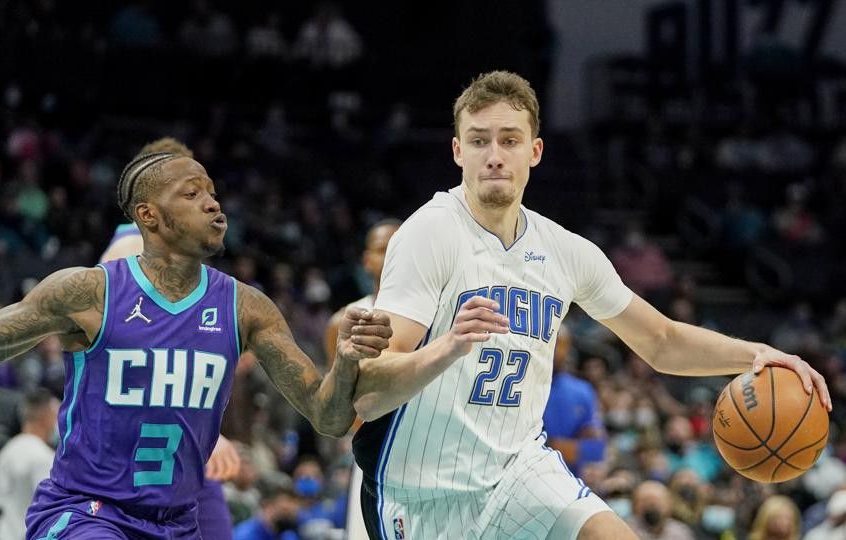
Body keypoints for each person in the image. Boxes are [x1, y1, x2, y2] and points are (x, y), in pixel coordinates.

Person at [350, 70, 831, 540]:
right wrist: (445, 348)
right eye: (479, 141)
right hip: (422, 492)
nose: (494, 156)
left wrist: (758, 354)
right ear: (458, 151)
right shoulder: (428, 233)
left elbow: (661, 340)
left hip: (519, 475)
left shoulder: (565, 251)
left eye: (510, 140)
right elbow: (371, 388)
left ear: (535, 151)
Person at [0, 150, 391, 539]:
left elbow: (329, 418)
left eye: (212, 192)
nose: (212, 203)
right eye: (192, 194)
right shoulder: (89, 293)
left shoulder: (246, 308)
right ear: (149, 215)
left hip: (176, 523)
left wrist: (346, 361)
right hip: (87, 512)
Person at [99, 136, 243, 540]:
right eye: (189, 191)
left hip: (173, 438)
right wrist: (206, 434)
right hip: (147, 441)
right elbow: (138, 357)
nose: (205, 201)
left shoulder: (174, 257)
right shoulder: (130, 249)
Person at [322, 218, 399, 540]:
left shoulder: (437, 315)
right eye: (383, 248)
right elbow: (337, 400)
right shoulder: (344, 321)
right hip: (373, 452)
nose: (393, 254)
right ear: (366, 260)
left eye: (400, 246)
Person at [0, 388, 59, 540]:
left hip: (2, 533)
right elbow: (48, 507)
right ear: (46, 417)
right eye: (55, 416)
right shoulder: (43, 457)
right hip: (28, 534)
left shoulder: (5, 452)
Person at [542, 323, 607, 475]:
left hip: (567, 476)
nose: (555, 351)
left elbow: (597, 448)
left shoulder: (582, 391)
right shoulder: (520, 385)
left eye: (560, 345)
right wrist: (563, 447)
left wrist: (549, 447)